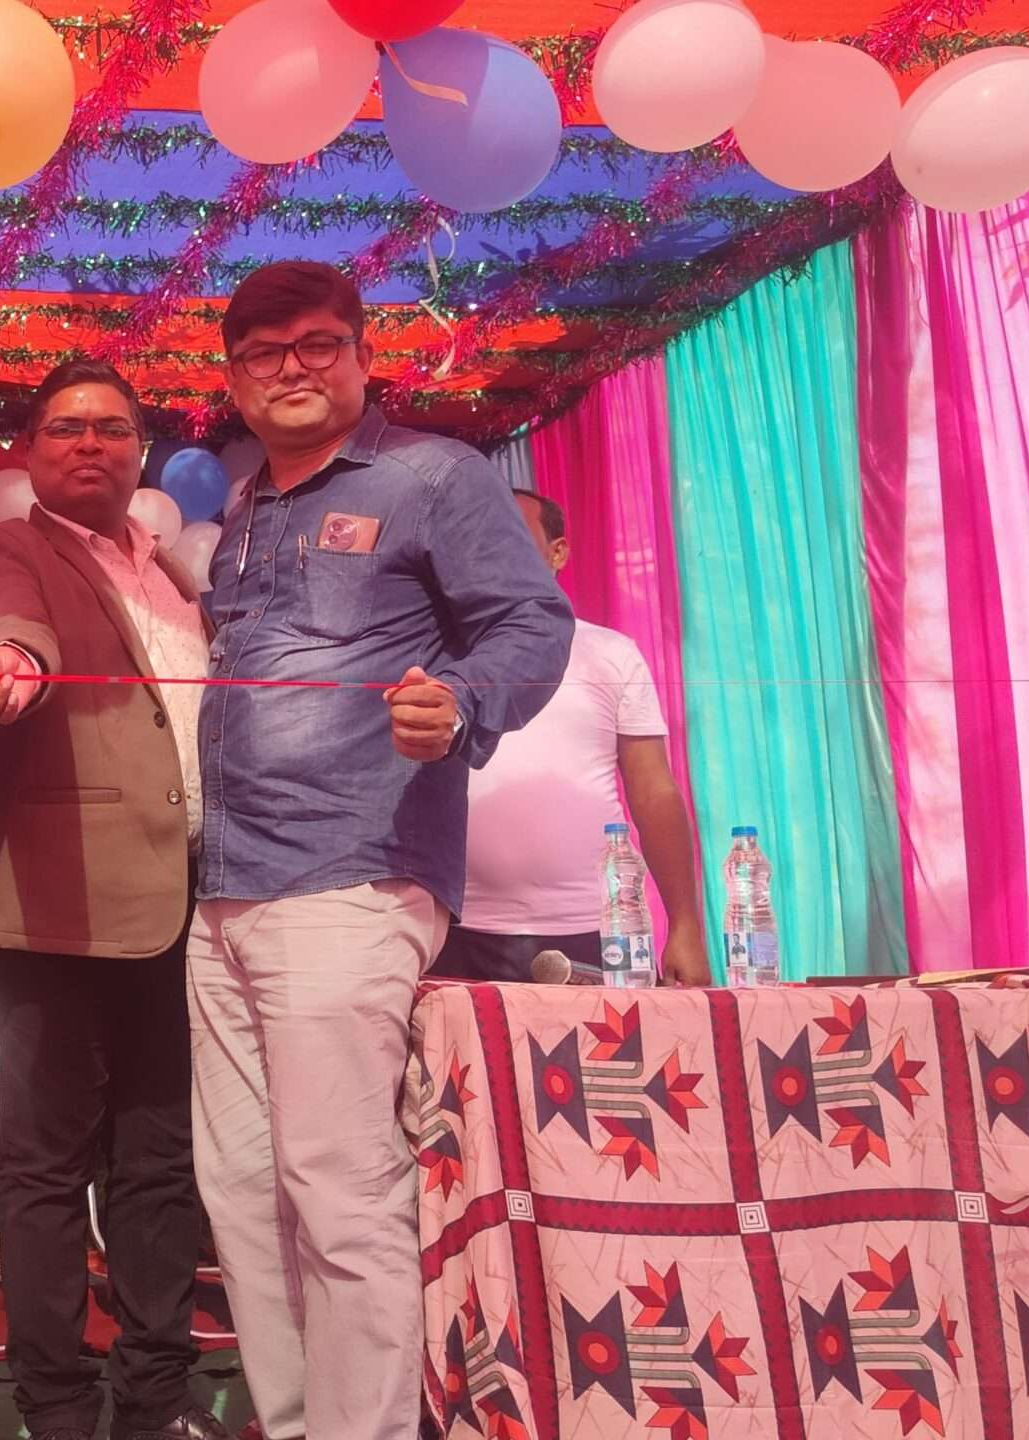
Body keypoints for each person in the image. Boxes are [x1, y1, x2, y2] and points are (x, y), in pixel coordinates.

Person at [189, 261, 573, 1440]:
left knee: (338, 1189)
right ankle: (297, 1422)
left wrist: (459, 702)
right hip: (225, 890)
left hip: (350, 873)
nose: (292, 370)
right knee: (244, 1193)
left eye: (317, 345)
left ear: (363, 357)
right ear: (234, 383)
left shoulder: (432, 476)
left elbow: (529, 621)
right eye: (263, 355)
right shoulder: (246, 508)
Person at [0, 361, 226, 1440]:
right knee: (45, 1165)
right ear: (28, 450)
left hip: (188, 896)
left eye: (112, 428)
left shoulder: (174, 573)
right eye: (65, 427)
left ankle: (154, 1394)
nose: (89, 444)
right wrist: (11, 662)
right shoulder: (7, 546)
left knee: (161, 1158)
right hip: (54, 898)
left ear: (140, 450)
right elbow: (16, 625)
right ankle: (56, 1403)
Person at [444, 492, 710, 986]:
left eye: (513, 535)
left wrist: (686, 926)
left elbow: (654, 793)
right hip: (453, 928)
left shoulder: (610, 653)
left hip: (595, 930)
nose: (493, 550)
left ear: (558, 552)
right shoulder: (436, 656)